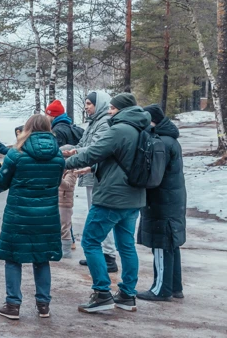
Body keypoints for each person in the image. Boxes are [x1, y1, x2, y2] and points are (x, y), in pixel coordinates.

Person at [65, 93, 151, 313]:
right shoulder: (143, 129)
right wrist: (93, 169)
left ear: (122, 109)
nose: (110, 111)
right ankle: (127, 295)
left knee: (91, 242)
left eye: (113, 108)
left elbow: (92, 153)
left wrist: (62, 162)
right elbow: (120, 159)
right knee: (126, 246)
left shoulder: (119, 129)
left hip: (112, 197)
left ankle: (102, 293)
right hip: (134, 197)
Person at [0, 114, 65, 320]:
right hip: (47, 215)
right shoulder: (58, 156)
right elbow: (56, 182)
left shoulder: (16, 154)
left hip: (18, 215)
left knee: (13, 258)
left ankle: (13, 305)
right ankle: (43, 305)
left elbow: (1, 182)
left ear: (27, 128)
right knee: (42, 259)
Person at [136, 104, 186, 302]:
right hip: (171, 201)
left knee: (162, 245)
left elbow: (154, 176)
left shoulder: (161, 142)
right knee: (171, 244)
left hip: (161, 202)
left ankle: (160, 289)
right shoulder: (169, 140)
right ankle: (174, 287)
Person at [65, 91, 118, 272]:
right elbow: (82, 145)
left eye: (89, 103)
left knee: (100, 215)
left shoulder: (103, 123)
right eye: (86, 103)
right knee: (95, 213)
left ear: (99, 104)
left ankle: (108, 255)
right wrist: (66, 150)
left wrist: (73, 155)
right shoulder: (94, 122)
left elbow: (97, 148)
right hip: (91, 174)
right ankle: (100, 253)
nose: (86, 106)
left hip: (98, 175)